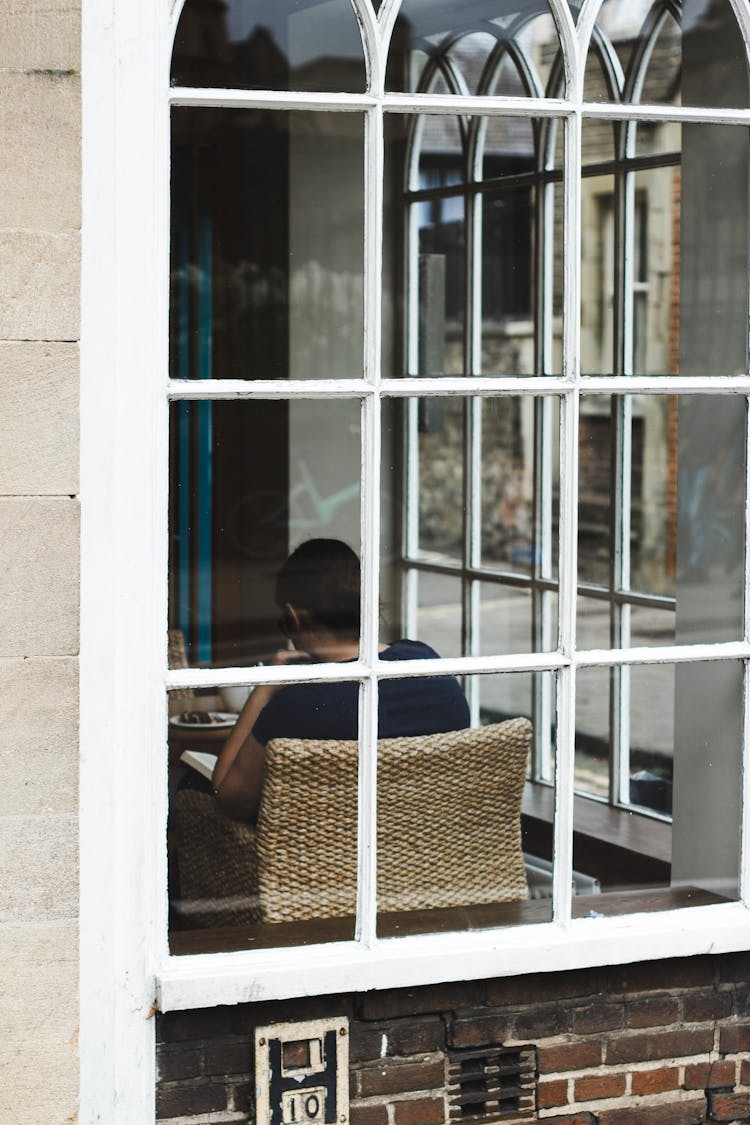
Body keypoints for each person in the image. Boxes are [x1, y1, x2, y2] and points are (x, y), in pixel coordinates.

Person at [212, 538, 469, 819]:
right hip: (428, 850)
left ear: (294, 617)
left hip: (324, 859)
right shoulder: (429, 666)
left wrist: (266, 687)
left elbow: (227, 796)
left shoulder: (297, 705)